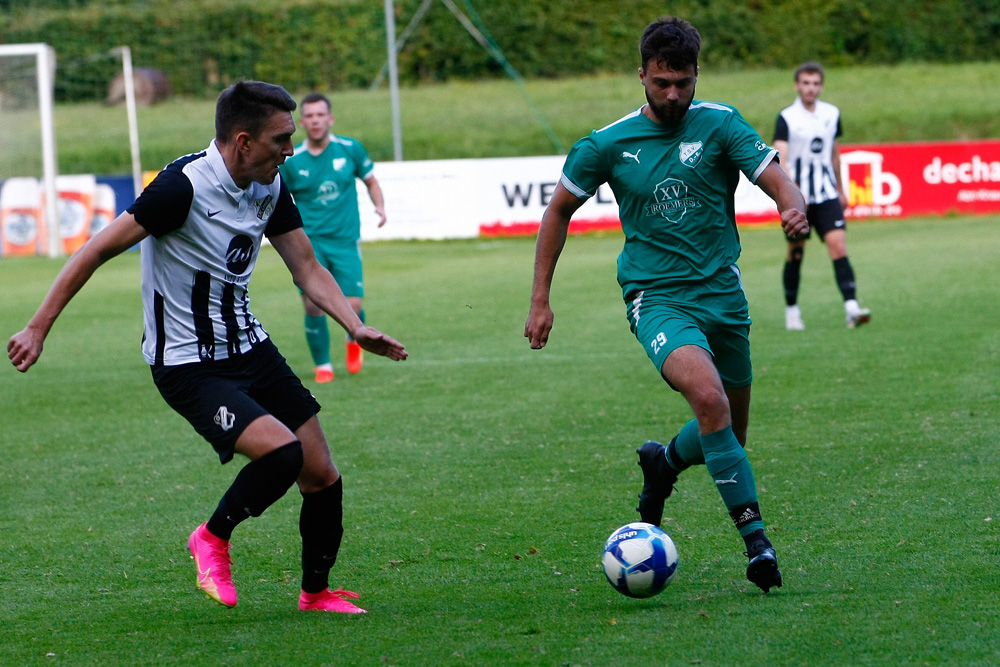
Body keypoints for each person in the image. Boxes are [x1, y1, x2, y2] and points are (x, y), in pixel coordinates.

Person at [7, 80, 407, 614]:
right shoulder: (182, 188)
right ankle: (212, 538)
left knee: (321, 473)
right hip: (188, 364)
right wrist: (37, 326)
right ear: (243, 141)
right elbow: (96, 250)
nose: (289, 151)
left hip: (249, 347)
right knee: (282, 452)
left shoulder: (270, 184)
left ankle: (316, 594)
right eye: (280, 140)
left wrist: (354, 327)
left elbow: (306, 267)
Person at [524, 16, 809, 593]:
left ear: (696, 74)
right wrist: (540, 300)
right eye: (661, 83)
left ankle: (664, 463)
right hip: (656, 298)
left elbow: (774, 175)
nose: (673, 94)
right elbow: (557, 212)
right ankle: (757, 546)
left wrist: (791, 206)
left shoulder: (721, 124)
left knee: (729, 429)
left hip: (723, 295)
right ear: (642, 77)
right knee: (708, 398)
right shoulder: (606, 144)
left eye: (682, 81)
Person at [279, 93, 387, 383]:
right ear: (301, 122)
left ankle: (355, 340)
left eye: (320, 115)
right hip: (309, 244)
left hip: (345, 239)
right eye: (309, 116)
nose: (315, 121)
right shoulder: (292, 160)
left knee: (351, 304)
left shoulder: (350, 149)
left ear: (330, 119)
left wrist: (380, 205)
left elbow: (371, 180)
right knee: (314, 304)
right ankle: (323, 365)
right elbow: (276, 196)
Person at [774, 61, 871, 330]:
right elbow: (781, 158)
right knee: (796, 252)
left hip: (827, 194)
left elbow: (835, 154)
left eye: (815, 83)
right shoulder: (787, 117)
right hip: (800, 198)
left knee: (838, 246)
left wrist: (841, 189)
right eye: (805, 83)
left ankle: (852, 308)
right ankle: (792, 310)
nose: (810, 88)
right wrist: (791, 192)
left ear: (821, 86)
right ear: (797, 85)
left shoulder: (831, 113)